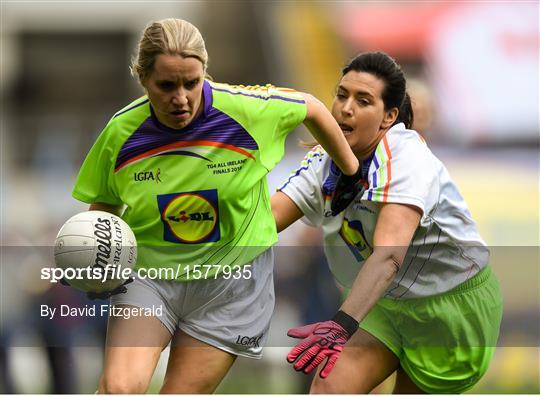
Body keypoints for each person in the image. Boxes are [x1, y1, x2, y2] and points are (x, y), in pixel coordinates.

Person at [71, 18, 360, 394]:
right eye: (166, 85)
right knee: (119, 388)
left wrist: (352, 172)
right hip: (151, 278)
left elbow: (312, 108)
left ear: (204, 73)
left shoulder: (246, 109)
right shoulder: (121, 133)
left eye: (191, 82)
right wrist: (96, 262)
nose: (181, 97)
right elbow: (104, 211)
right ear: (143, 79)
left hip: (231, 285)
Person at [271, 52, 503, 394]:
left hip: (448, 308)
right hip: (384, 302)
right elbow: (269, 217)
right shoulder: (323, 159)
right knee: (327, 387)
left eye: (363, 100)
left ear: (389, 117)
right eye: (341, 95)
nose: (346, 108)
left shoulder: (407, 157)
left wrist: (341, 324)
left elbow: (389, 256)